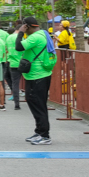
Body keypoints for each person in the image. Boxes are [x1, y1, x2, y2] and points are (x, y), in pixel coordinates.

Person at [16, 16, 57, 145]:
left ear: (27, 26)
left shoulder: (35, 37)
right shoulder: (43, 34)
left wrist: (21, 32)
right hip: (39, 75)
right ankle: (39, 131)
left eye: (24, 26)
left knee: (39, 106)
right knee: (37, 104)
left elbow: (18, 47)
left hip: (38, 76)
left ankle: (45, 135)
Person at [7, 20, 25, 110]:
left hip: (13, 63)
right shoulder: (21, 38)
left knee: (15, 84)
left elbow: (6, 49)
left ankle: (16, 104)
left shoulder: (9, 37)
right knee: (28, 82)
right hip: (23, 63)